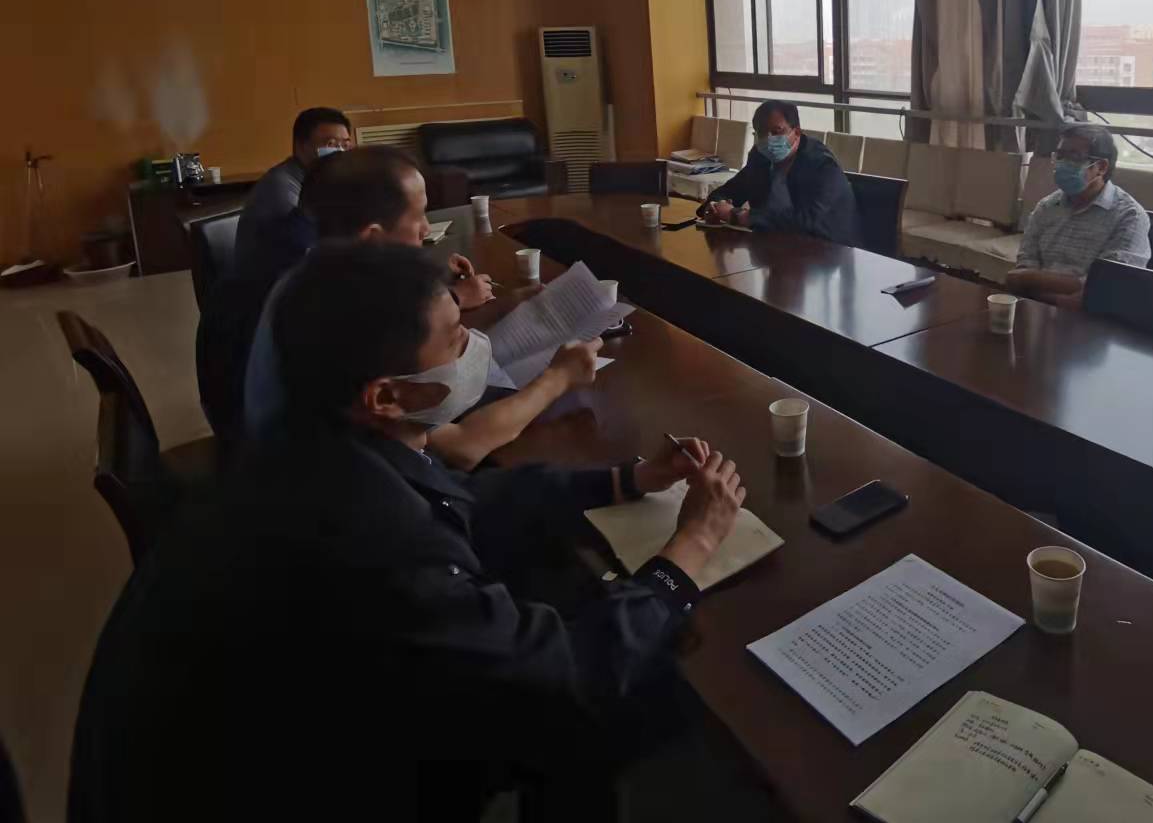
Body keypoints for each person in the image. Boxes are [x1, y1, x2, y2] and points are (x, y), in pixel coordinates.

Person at [72, 241, 746, 821]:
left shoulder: (312, 444)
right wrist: (689, 549)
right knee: (615, 703)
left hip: (283, 731)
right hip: (277, 789)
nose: (476, 347)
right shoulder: (364, 534)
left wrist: (626, 480)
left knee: (556, 585)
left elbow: (460, 496)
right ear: (385, 396)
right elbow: (564, 673)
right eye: (455, 340)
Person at [239, 147, 526, 458]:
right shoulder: (341, 311)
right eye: (418, 216)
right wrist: (556, 379)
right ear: (374, 240)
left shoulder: (316, 275)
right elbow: (461, 447)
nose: (426, 229)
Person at [1005, 124, 1150, 311]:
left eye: (1074, 157)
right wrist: (1059, 295)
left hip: (1093, 321)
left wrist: (1032, 280)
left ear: (1101, 167)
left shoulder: (1129, 217)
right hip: (1036, 313)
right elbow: (1022, 271)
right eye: (1060, 156)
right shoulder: (1047, 207)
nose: (1062, 164)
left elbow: (1107, 288)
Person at [700, 101, 858, 245]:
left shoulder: (822, 165)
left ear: (797, 132)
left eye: (777, 132)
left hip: (826, 250)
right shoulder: (760, 157)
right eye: (761, 133)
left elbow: (809, 220)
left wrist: (741, 216)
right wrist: (714, 207)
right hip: (771, 246)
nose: (768, 139)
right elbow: (731, 190)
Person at [233, 105, 353, 269]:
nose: (340, 152)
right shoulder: (281, 188)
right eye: (331, 144)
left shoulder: (321, 179)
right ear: (302, 145)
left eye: (345, 145)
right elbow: (306, 245)